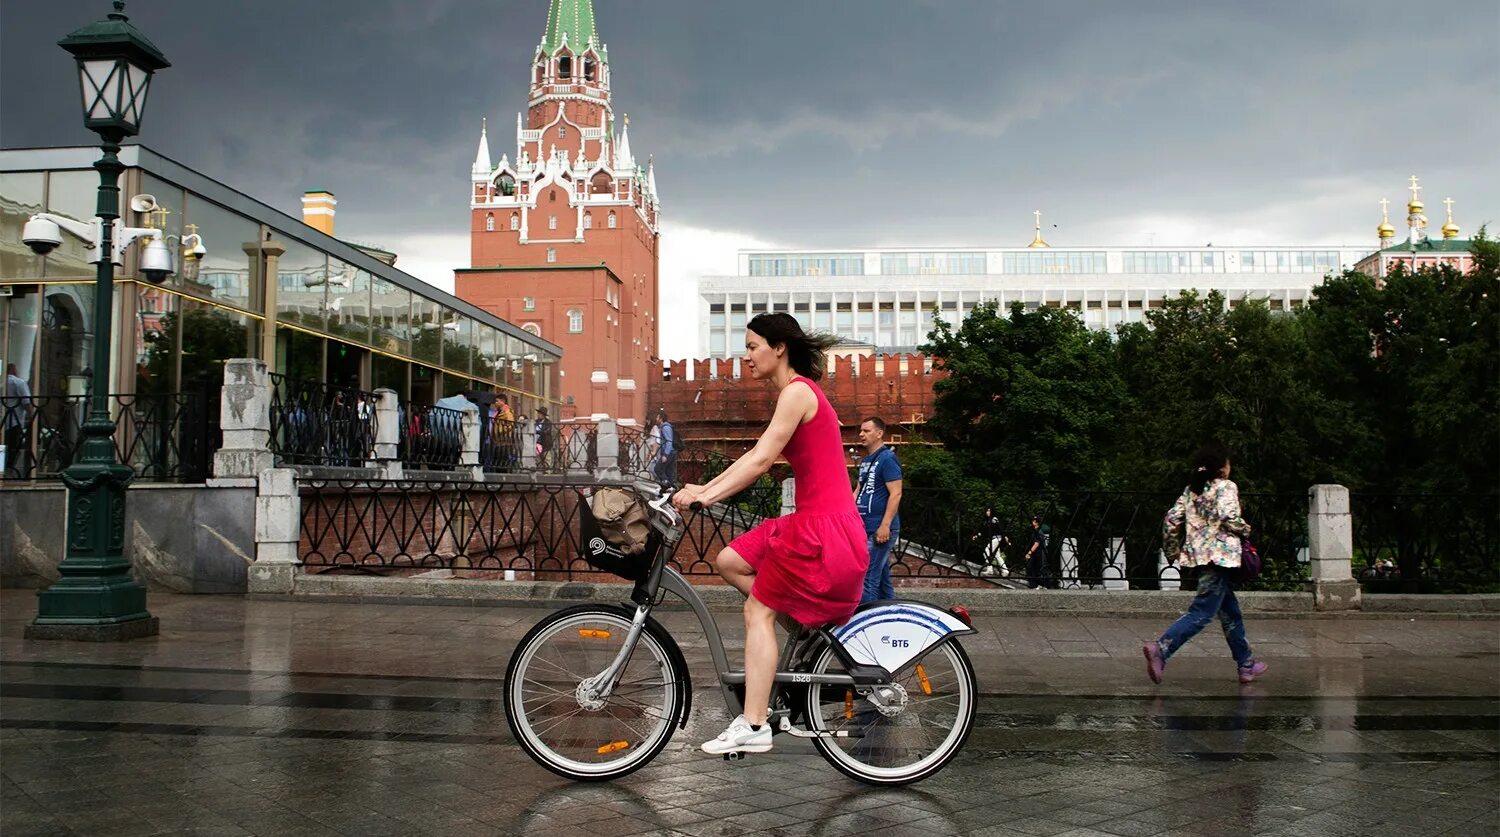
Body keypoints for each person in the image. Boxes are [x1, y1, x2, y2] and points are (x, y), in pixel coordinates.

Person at [672, 313, 865, 756]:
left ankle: (754, 722)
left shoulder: (797, 392)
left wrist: (707, 496)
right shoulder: (795, 393)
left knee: (757, 611)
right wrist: (704, 489)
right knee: (728, 561)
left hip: (823, 530)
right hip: (818, 523)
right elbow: (755, 455)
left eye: (753, 345)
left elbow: (760, 461)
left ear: (779, 348)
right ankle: (799, 624)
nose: (747, 355)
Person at [1143, 445, 1269, 685]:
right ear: (1223, 468)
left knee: (1230, 612)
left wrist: (1173, 551)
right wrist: (1246, 529)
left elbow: (1171, 520)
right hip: (1220, 558)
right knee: (1202, 612)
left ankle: (1246, 663)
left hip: (1200, 557)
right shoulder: (1226, 486)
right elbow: (1228, 516)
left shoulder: (1192, 490)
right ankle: (1161, 648)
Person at [854, 416, 902, 603]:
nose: (861, 434)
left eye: (866, 431)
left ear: (880, 433)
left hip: (879, 529)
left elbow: (896, 493)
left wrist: (885, 525)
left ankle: (866, 620)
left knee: (867, 578)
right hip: (864, 527)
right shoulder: (866, 460)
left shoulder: (888, 459)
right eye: (861, 430)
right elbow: (859, 490)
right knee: (881, 579)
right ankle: (891, 614)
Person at [3, 363, 33, 478]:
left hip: (4, 421)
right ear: (14, 370)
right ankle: (8, 471)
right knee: (13, 447)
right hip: (14, 421)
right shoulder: (18, 382)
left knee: (3, 447)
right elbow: (26, 401)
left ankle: (2, 470)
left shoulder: (3, 383)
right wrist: (32, 416)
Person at [973, 507, 1010, 576]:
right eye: (987, 511)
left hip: (996, 538)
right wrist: (977, 536)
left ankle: (989, 569)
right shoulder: (988, 521)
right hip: (995, 539)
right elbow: (984, 532)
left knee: (986, 551)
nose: (988, 512)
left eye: (989, 511)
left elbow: (1000, 527)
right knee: (997, 555)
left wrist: (1005, 536)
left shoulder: (994, 519)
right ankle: (1006, 571)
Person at [1023, 516, 1049, 588]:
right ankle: (1037, 585)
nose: (1031, 523)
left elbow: (1036, 544)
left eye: (1033, 521)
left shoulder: (1038, 532)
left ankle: (1035, 585)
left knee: (1031, 568)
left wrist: (1029, 553)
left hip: (1037, 554)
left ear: (1036, 523)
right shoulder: (1036, 531)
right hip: (1037, 553)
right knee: (1034, 569)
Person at [654, 409, 677, 485]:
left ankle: (666, 485)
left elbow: (669, 441)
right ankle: (671, 488)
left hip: (669, 452)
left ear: (661, 418)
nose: (656, 419)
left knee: (658, 469)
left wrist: (665, 455)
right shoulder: (665, 427)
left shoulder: (665, 427)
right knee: (669, 472)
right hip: (672, 452)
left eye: (657, 417)